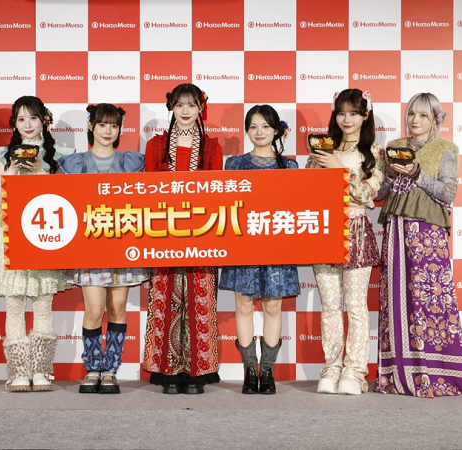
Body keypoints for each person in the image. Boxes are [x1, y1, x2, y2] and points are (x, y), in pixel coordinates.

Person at [375, 92, 462, 398]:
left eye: (423, 115)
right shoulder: (394, 146)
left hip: (428, 234)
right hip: (396, 229)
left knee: (431, 300)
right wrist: (389, 174)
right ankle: (396, 376)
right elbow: (380, 193)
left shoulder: (446, 149)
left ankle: (439, 374)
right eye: (411, 114)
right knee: (395, 299)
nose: (415, 120)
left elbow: (448, 193)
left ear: (435, 119)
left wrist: (417, 174)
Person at [61, 103, 150, 394]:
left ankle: (110, 370)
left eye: (113, 125)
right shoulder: (75, 163)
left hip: (123, 245)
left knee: (118, 308)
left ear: (120, 129)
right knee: (94, 310)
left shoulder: (131, 162)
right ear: (91, 126)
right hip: (89, 247)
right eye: (102, 125)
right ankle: (92, 368)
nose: (108, 131)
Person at [142, 83, 223, 394]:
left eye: (191, 105)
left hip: (203, 231)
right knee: (166, 299)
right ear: (171, 108)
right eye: (179, 105)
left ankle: (196, 372)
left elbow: (217, 191)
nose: (185, 111)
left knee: (199, 300)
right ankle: (168, 372)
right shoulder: (156, 145)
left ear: (201, 108)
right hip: (164, 231)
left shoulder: (212, 147)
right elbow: (148, 190)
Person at [0, 96, 73, 392]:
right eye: (21, 119)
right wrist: (12, 170)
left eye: (33, 118)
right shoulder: (2, 155)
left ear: (44, 121)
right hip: (11, 232)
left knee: (43, 304)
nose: (27, 125)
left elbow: (63, 198)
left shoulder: (59, 155)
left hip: (44, 233)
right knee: (13, 304)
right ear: (14, 123)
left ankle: (41, 370)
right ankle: (17, 372)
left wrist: (38, 170)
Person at [219, 105, 300, 395]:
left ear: (276, 130)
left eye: (265, 126)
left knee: (273, 306)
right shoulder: (234, 164)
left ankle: (267, 372)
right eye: (253, 127)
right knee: (243, 305)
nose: (259, 132)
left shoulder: (289, 166)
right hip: (243, 244)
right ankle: (249, 370)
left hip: (277, 245)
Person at [308, 89, 384, 395]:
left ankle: (354, 371)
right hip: (324, 230)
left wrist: (338, 168)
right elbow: (308, 190)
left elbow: (368, 195)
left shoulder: (374, 153)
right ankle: (332, 367)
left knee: (355, 306)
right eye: (341, 113)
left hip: (356, 229)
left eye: (354, 113)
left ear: (365, 115)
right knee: (330, 306)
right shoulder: (321, 149)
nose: (347, 119)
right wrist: (323, 164)